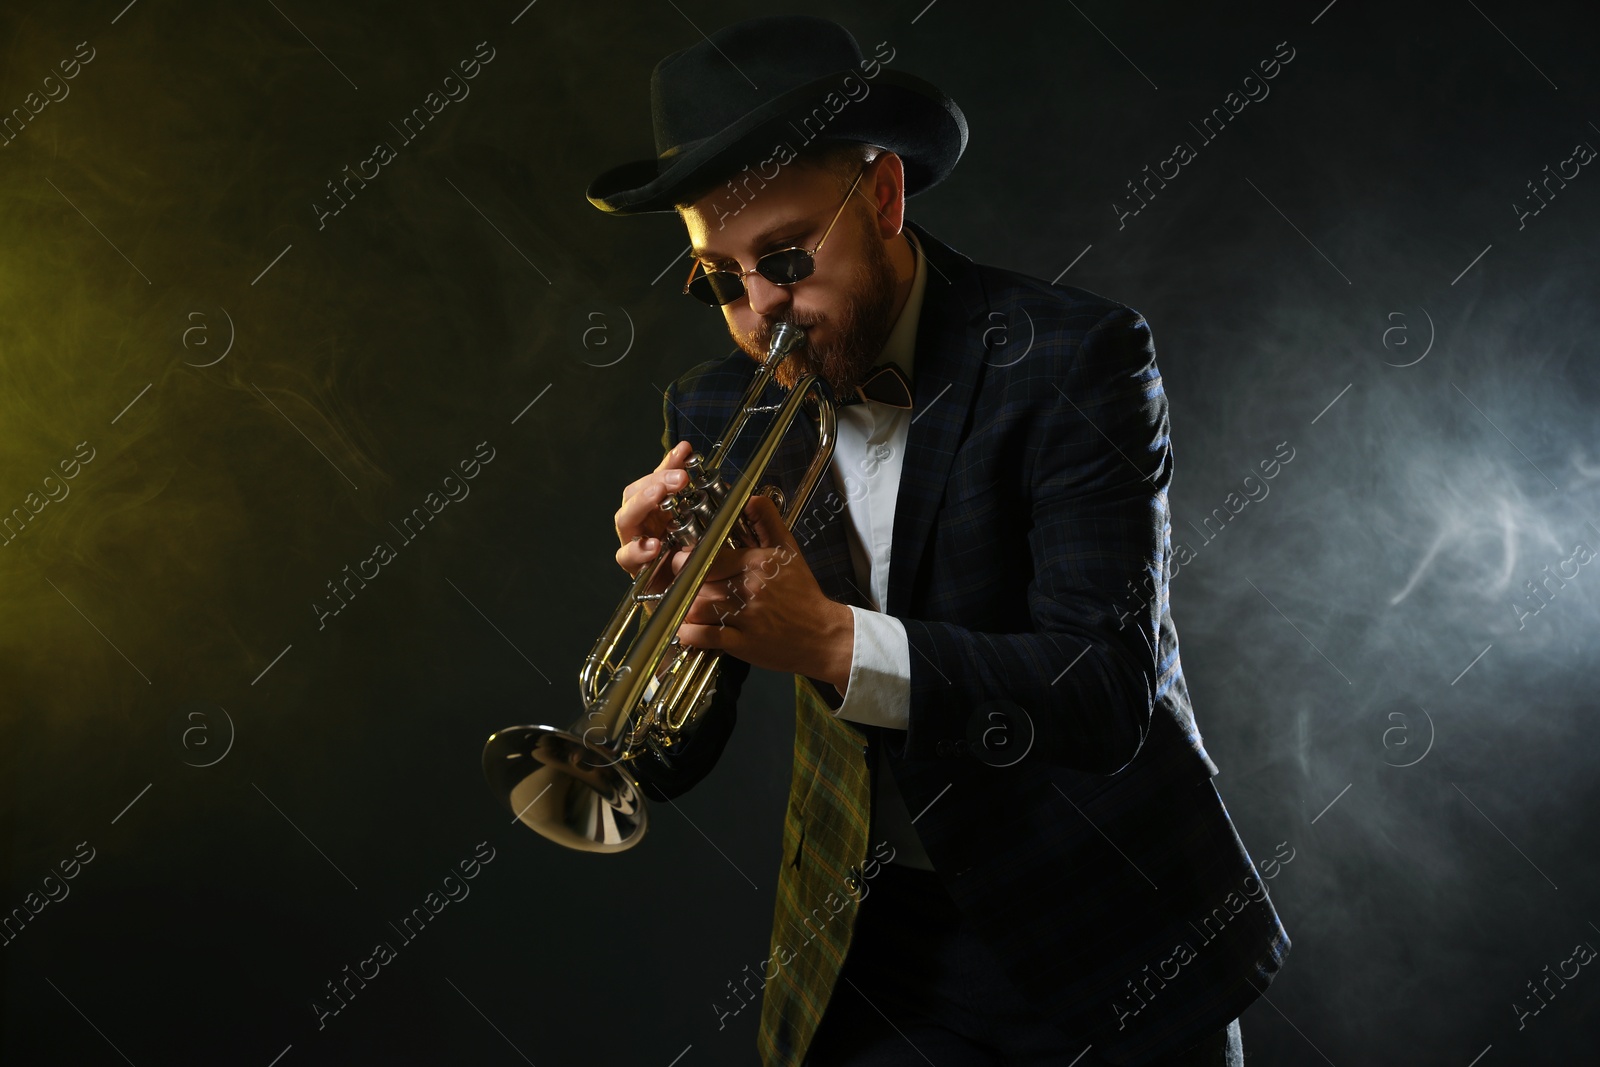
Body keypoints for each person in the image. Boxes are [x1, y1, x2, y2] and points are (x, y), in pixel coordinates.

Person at [592, 14, 1290, 1067]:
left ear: (881, 196)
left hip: (1099, 924)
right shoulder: (711, 403)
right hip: (869, 946)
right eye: (719, 279)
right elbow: (666, 760)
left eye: (783, 258)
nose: (757, 317)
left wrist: (829, 641)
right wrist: (664, 609)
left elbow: (1103, 690)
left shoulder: (1074, 355)